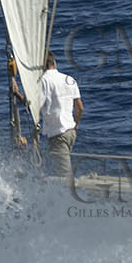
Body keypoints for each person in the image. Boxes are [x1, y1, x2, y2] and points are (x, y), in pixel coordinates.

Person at [39, 50, 83, 179]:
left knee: (64, 177)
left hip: (58, 134)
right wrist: (76, 124)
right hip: (71, 133)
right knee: (61, 170)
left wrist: (17, 93)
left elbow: (34, 105)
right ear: (55, 63)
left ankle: (71, 198)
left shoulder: (44, 81)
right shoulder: (69, 79)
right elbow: (80, 107)